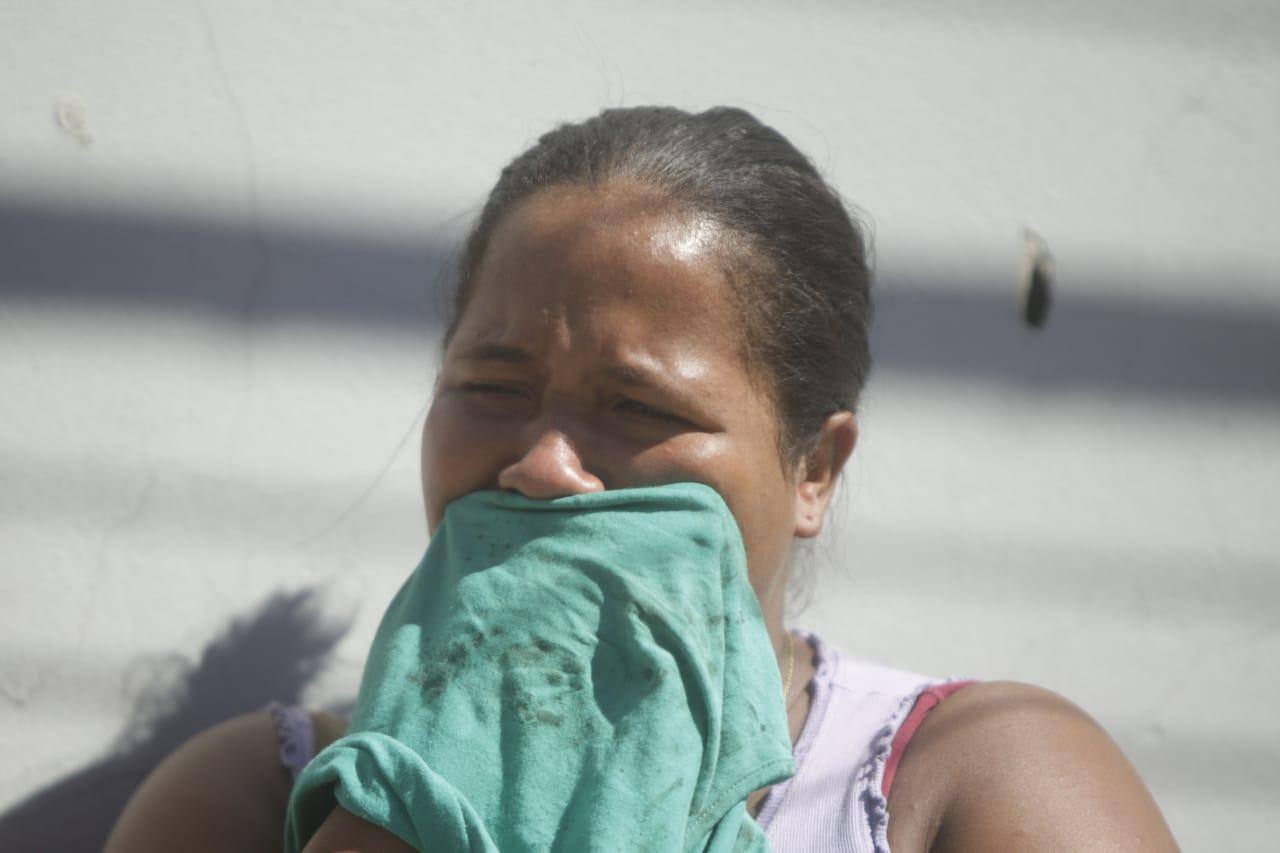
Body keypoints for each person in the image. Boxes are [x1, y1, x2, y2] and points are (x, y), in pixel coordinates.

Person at [104, 106, 1179, 852]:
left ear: (812, 468)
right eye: (490, 384)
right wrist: (421, 790)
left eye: (639, 406)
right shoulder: (254, 796)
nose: (538, 465)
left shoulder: (977, 781)